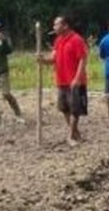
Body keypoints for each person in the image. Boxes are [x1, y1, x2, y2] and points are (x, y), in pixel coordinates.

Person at [37, 15, 88, 145]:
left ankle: (70, 136)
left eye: (56, 24)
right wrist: (42, 60)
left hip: (75, 81)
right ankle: (76, 134)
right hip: (62, 80)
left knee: (75, 110)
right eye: (54, 25)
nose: (54, 27)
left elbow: (83, 59)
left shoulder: (76, 40)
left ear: (65, 25)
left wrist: (77, 78)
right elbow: (53, 58)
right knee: (65, 108)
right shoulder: (58, 40)